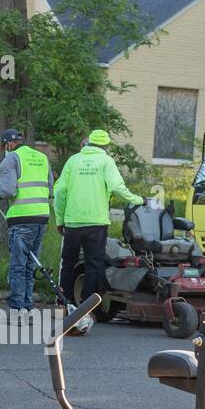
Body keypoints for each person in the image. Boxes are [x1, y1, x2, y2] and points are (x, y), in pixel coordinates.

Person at [53, 129, 142, 303]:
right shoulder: (106, 161)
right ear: (106, 145)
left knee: (68, 263)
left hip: (73, 222)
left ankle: (64, 302)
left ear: (89, 143)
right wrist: (137, 200)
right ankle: (87, 305)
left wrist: (60, 219)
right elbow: (117, 187)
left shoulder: (73, 160)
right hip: (96, 223)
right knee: (94, 264)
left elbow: (59, 191)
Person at [0, 128, 53, 311]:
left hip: (21, 218)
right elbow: (51, 187)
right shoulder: (41, 157)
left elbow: (9, 190)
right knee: (30, 264)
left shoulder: (11, 159)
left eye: (5, 145)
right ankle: (27, 305)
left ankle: (17, 307)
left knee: (18, 266)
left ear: (9, 144)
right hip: (42, 216)